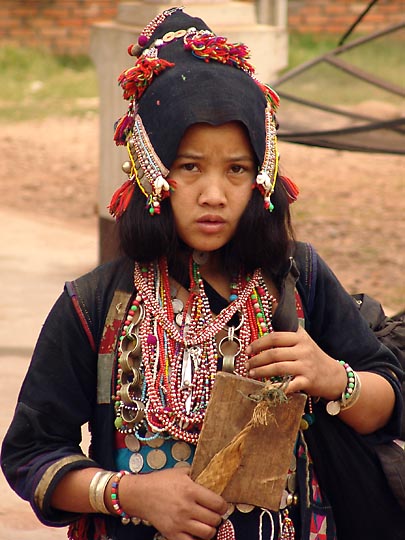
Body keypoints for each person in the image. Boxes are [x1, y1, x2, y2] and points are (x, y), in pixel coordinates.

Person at [1, 7, 404, 540]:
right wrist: (129, 492)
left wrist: (336, 378)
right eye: (190, 166)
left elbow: (387, 401)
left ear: (262, 175)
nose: (214, 194)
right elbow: (31, 452)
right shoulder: (95, 303)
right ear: (151, 170)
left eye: (236, 169)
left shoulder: (298, 277)